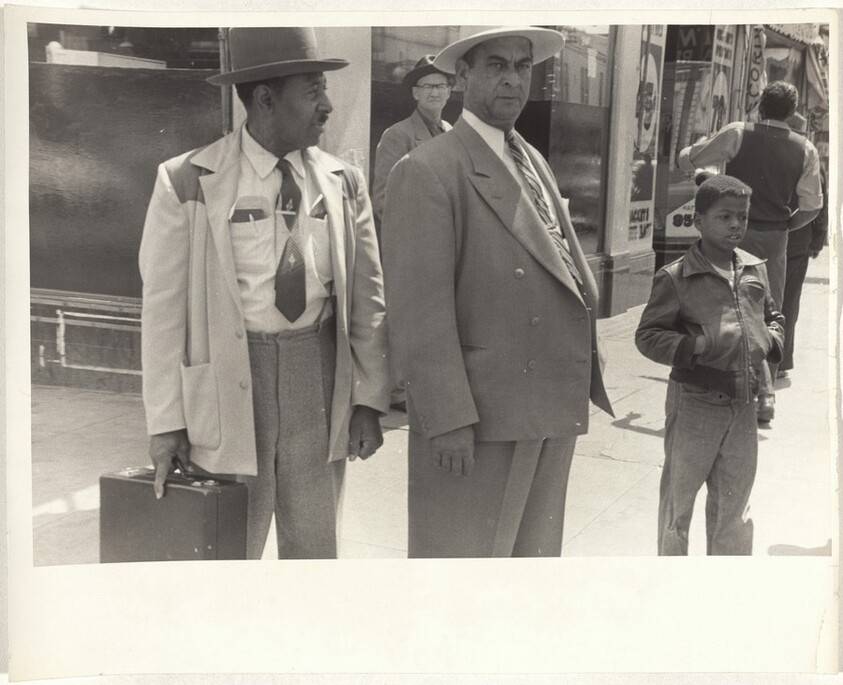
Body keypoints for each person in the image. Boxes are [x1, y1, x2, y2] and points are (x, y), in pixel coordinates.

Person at [139, 27, 389, 560]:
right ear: (266, 99)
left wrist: (368, 399)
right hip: (228, 387)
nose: (327, 105)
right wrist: (166, 424)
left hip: (318, 382)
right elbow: (161, 315)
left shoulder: (344, 180)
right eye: (313, 90)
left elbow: (367, 298)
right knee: (229, 553)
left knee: (315, 553)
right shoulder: (186, 180)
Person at [382, 26, 613, 558]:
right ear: (461, 75)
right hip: (481, 419)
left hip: (548, 402)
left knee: (529, 568)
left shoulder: (530, 157)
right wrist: (446, 422)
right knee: (465, 575)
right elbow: (420, 314)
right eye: (495, 66)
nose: (512, 79)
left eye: (521, 66)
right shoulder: (427, 169)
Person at [635, 175, 785, 555]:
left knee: (734, 505)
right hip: (696, 402)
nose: (736, 224)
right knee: (678, 502)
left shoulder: (754, 268)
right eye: (724, 217)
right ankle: (671, 582)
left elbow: (773, 315)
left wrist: (771, 339)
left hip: (743, 402)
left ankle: (724, 586)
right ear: (699, 221)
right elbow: (648, 335)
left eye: (743, 217)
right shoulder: (676, 277)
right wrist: (694, 345)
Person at [678, 81, 823, 424]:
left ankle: (720, 382)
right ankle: (765, 395)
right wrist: (786, 223)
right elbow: (812, 206)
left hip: (731, 233)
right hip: (775, 238)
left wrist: (691, 159)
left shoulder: (737, 132)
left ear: (760, 107)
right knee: (766, 311)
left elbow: (693, 160)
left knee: (719, 302)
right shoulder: (806, 149)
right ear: (792, 113)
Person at [371, 54, 454, 236]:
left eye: (440, 86)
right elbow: (382, 202)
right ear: (416, 93)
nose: (434, 93)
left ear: (448, 92)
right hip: (416, 242)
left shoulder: (452, 133)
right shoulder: (397, 136)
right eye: (427, 87)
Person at [779, 112, 829, 378]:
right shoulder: (809, 157)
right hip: (798, 238)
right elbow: (821, 205)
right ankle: (782, 361)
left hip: (781, 235)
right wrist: (817, 241)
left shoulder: (777, 153)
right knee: (789, 301)